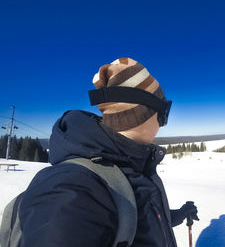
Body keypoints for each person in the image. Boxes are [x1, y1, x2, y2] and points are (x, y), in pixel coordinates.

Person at [17, 57, 198, 247]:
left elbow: (141, 220)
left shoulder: (128, 163)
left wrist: (179, 214)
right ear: (144, 112)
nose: (163, 123)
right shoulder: (74, 189)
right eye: (164, 113)